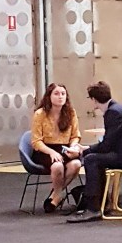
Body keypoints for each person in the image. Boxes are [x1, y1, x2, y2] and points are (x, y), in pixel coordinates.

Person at [66, 81, 122, 224]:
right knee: (95, 158)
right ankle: (101, 203)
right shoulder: (119, 109)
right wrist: (87, 150)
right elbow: (110, 144)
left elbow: (106, 145)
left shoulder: (113, 112)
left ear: (93, 99)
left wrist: (84, 151)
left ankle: (93, 208)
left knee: (92, 159)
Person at [30, 82, 83, 213]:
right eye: (56, 94)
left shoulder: (71, 113)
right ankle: (57, 196)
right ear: (49, 96)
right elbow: (36, 141)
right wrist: (51, 152)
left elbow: (75, 136)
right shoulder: (40, 114)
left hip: (65, 148)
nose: (60, 97)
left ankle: (55, 196)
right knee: (57, 166)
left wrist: (73, 147)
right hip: (45, 149)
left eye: (63, 94)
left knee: (75, 164)